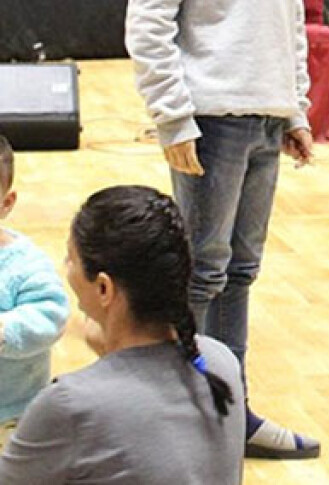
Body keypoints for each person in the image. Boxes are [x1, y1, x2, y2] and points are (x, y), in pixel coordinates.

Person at [124, 0, 319, 458]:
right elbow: (149, 14)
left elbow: (288, 11)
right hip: (210, 115)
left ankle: (226, 409)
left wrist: (294, 105)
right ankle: (181, 419)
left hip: (263, 116)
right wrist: (171, 112)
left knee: (239, 270)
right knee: (199, 272)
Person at [0, 185, 244, 483]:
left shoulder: (70, 404)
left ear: (104, 288)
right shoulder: (220, 362)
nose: (66, 270)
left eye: (71, 260)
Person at [0, 136, 70, 445]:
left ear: (6, 203)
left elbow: (51, 315)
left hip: (12, 415)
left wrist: (5, 330)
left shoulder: (26, 265)